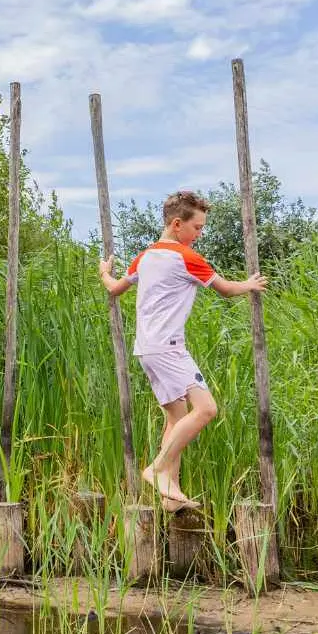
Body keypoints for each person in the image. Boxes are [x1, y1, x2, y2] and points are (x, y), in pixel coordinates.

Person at [98, 190, 267, 510]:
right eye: (198, 228)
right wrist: (250, 284)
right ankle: (158, 468)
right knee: (206, 410)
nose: (200, 235)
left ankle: (170, 496)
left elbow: (114, 288)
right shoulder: (187, 258)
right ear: (178, 224)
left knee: (176, 419)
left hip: (147, 349)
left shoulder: (144, 256)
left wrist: (104, 271)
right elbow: (227, 290)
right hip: (169, 349)